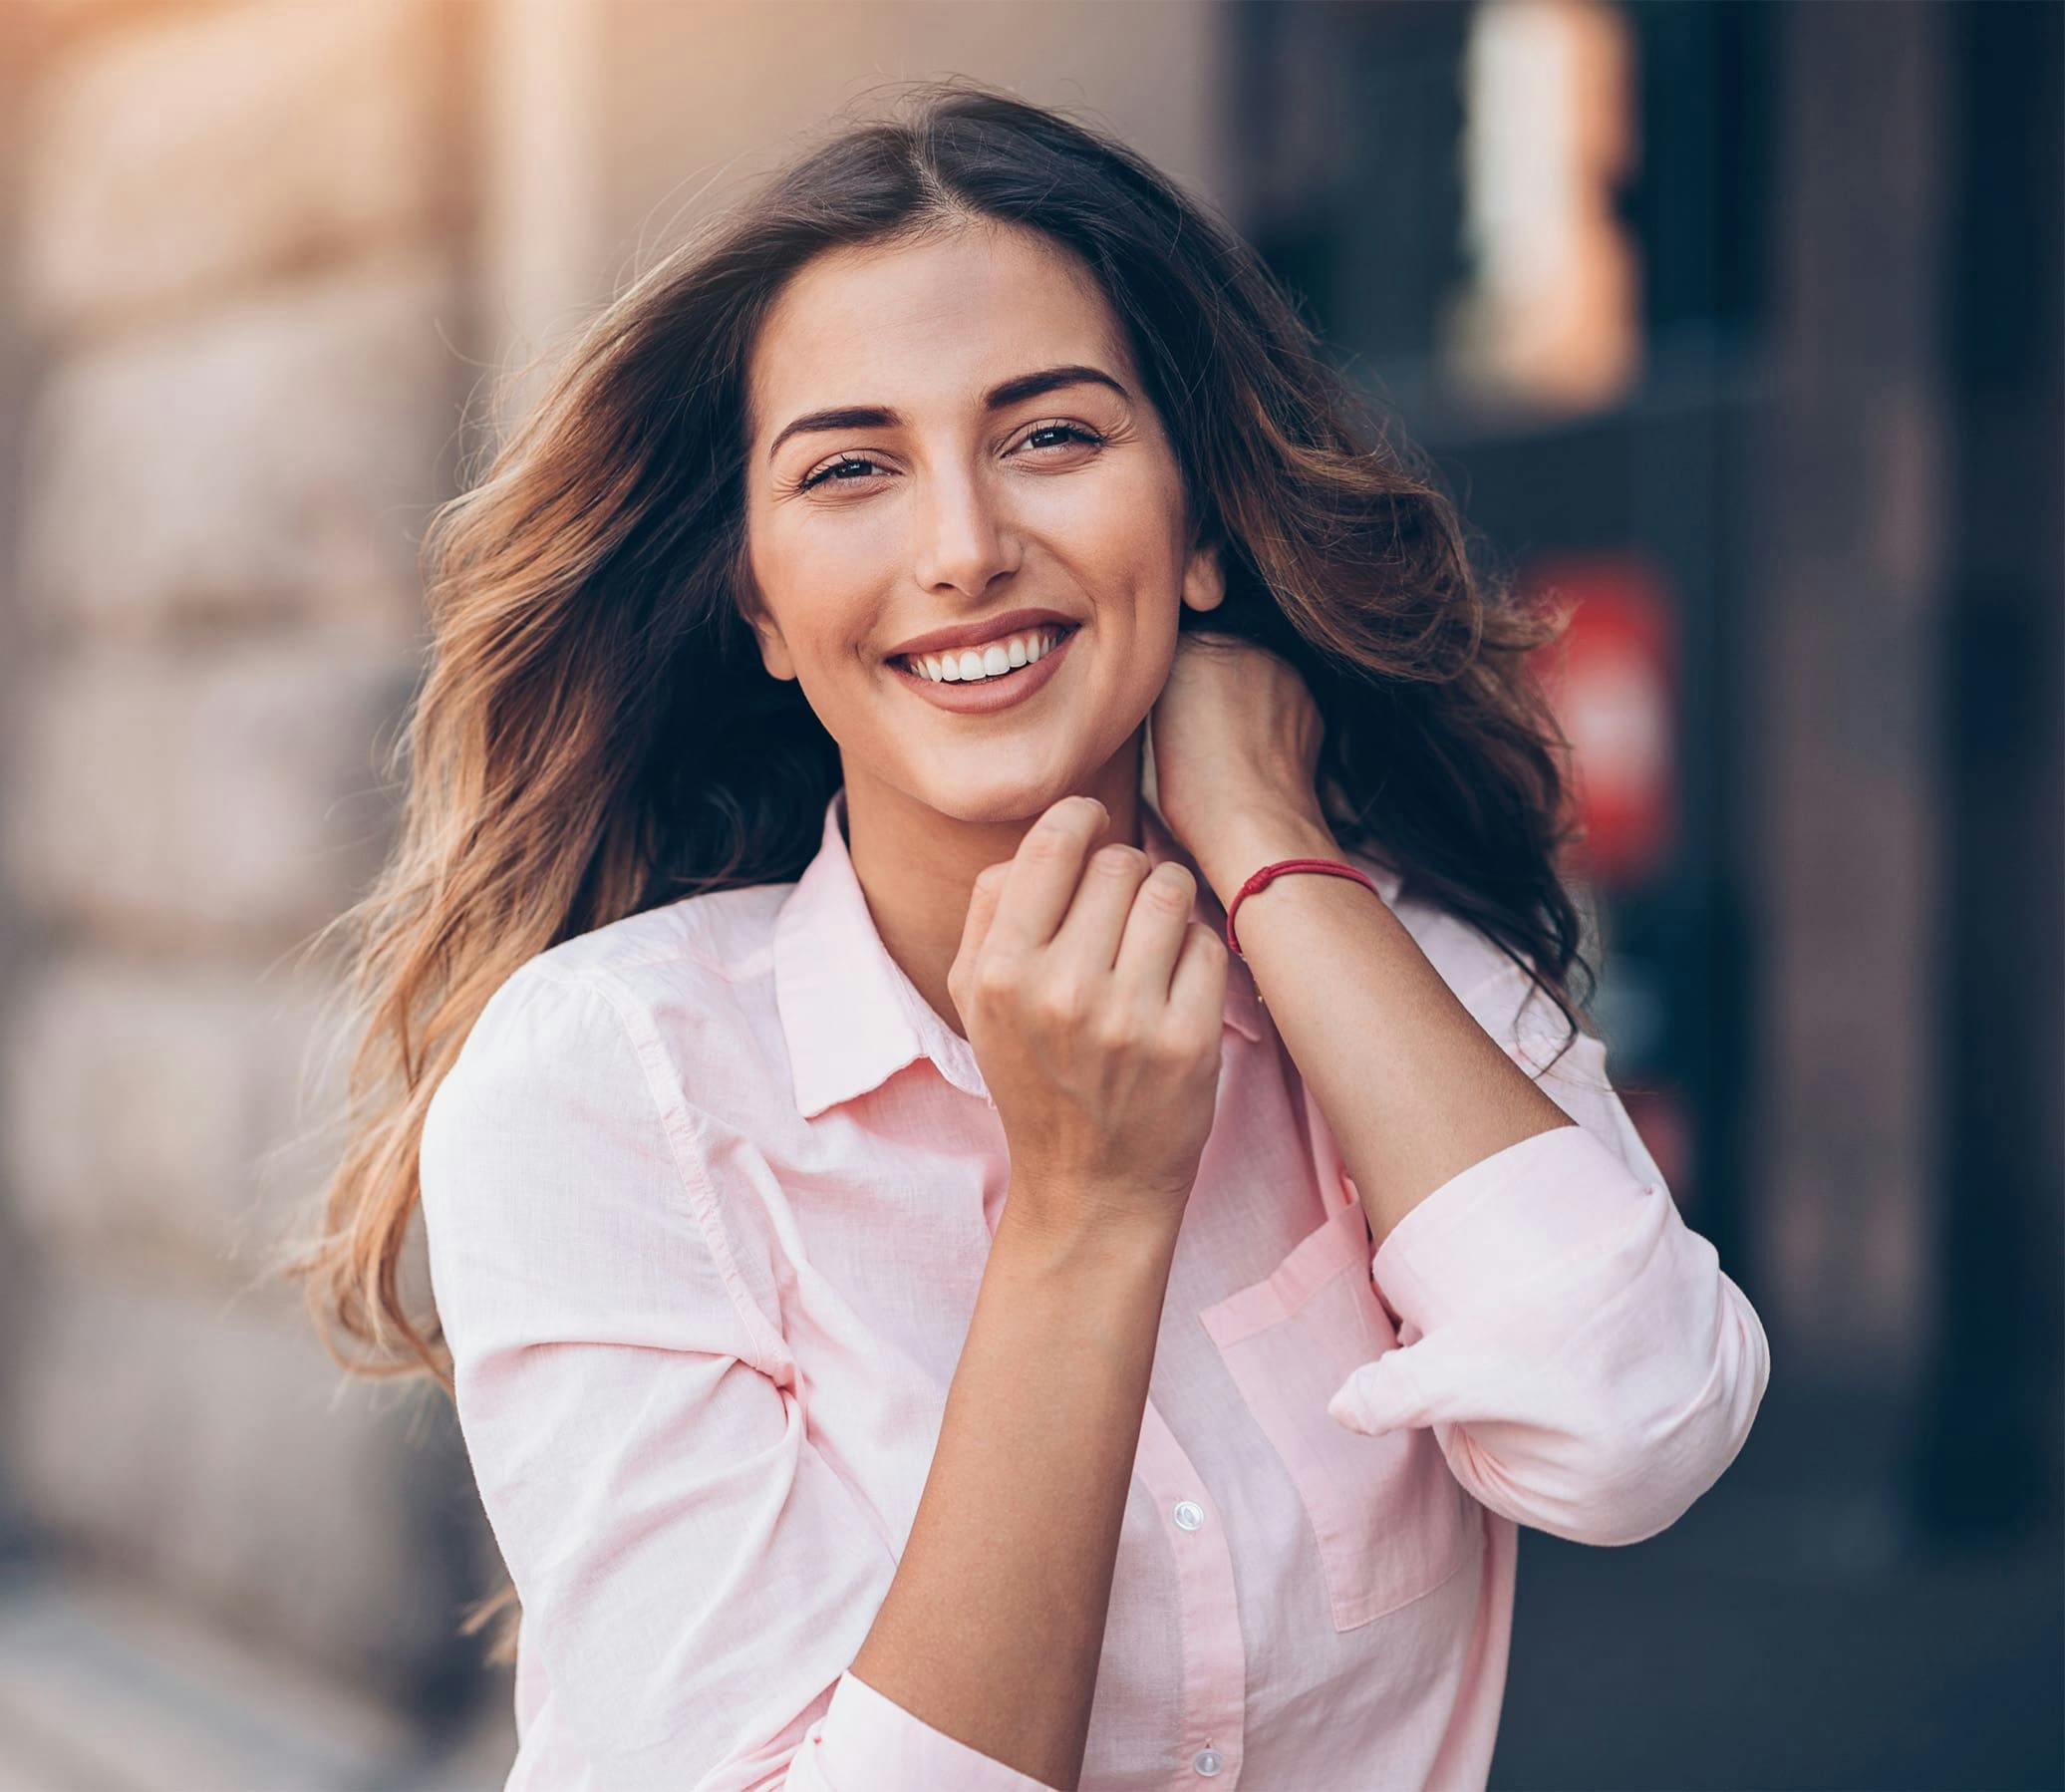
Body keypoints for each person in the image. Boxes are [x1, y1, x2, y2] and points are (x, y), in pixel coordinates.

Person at [298, 81, 1769, 1792]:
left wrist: (1273, 846)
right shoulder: (617, 1083)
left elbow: (1636, 1428)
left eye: (1052, 436)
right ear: (763, 606)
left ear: (1201, 523)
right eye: (853, 468)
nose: (965, 547)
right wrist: (1083, 1211)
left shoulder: (1383, 968)